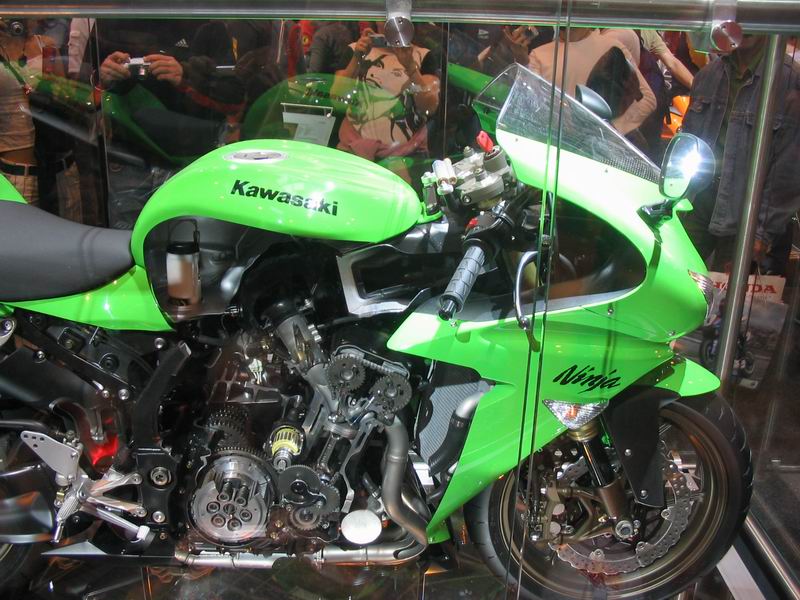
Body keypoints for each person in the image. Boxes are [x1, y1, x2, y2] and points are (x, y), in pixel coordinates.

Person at [681, 35, 800, 271]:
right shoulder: (709, 75)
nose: (746, 28)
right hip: (699, 199)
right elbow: (689, 140)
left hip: (748, 209)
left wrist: (762, 231)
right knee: (679, 279)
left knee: (731, 287)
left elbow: (789, 170)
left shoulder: (789, 81)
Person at [331, 24, 441, 182]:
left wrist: (411, 67)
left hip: (407, 157)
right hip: (355, 152)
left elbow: (429, 107)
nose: (388, 20)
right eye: (383, 15)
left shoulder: (422, 55)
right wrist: (356, 59)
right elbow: (337, 101)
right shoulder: (355, 50)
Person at [0, 17, 82, 221]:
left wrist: (55, 89)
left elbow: (65, 100)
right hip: (18, 174)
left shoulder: (44, 44)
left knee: (69, 235)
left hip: (60, 169)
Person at [505, 27, 656, 137]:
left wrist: (610, 132)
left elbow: (647, 100)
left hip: (607, 151)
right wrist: (522, 61)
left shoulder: (611, 46)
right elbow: (533, 105)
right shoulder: (539, 55)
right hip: (565, 147)